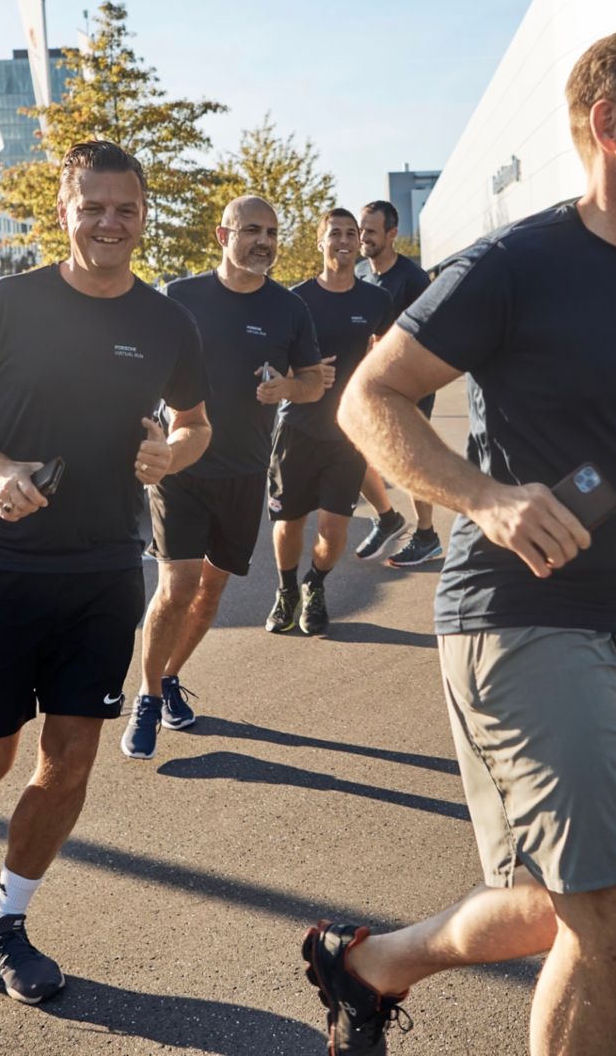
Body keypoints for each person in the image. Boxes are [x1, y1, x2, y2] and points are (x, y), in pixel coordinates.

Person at [311, 28, 616, 1056]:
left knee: (575, 909)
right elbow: (369, 400)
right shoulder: (516, 264)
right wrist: (485, 499)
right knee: (603, 919)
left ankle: (368, 966)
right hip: (515, 621)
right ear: (611, 127)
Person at [0, 140, 211, 1002]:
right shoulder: (10, 303)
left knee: (68, 763)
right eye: (92, 206)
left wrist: (170, 452)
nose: (109, 222)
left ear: (144, 216)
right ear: (63, 212)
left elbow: (197, 426)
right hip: (4, 561)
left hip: (103, 565)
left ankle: (1, 927)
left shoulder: (166, 321)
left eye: (124, 208)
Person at [119, 195, 330, 759]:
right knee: (179, 584)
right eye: (252, 229)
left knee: (211, 593)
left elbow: (313, 381)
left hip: (246, 469)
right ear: (222, 234)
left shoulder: (289, 309)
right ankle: (145, 698)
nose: (264, 240)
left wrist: (289, 388)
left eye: (272, 232)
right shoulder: (180, 297)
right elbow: (139, 362)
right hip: (182, 463)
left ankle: (167, 681)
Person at [266, 208, 393, 636]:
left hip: (350, 432)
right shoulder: (294, 300)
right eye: (334, 233)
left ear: (360, 243)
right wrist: (298, 376)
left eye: (351, 234)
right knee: (289, 524)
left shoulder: (376, 300)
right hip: (297, 428)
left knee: (334, 525)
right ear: (320, 242)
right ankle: (286, 591)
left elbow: (391, 354)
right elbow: (267, 364)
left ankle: (314, 584)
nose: (344, 240)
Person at [352, 199, 441, 568]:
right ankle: (388, 518)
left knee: (412, 460)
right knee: (352, 449)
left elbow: (433, 332)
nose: (363, 238)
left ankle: (426, 535)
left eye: (371, 231)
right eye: (361, 230)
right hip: (371, 383)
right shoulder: (361, 274)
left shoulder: (413, 278)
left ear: (392, 234)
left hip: (410, 382)